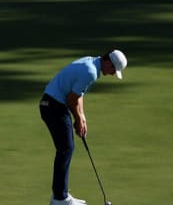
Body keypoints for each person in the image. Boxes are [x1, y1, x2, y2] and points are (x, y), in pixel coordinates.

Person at [39, 50, 127, 205]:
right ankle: (59, 198)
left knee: (66, 148)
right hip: (53, 105)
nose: (113, 73)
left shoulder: (92, 62)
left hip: (52, 104)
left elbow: (78, 94)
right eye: (113, 70)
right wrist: (78, 119)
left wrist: (82, 117)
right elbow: (71, 99)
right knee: (66, 148)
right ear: (108, 62)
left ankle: (60, 194)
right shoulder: (91, 71)